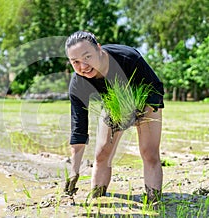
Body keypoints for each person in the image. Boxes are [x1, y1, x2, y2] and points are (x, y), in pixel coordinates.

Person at [63, 31, 164, 203]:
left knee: (149, 152)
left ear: (99, 49)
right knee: (102, 153)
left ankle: (154, 201)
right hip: (113, 105)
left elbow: (156, 89)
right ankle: (97, 199)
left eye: (87, 57)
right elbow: (79, 129)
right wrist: (74, 170)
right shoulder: (78, 83)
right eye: (75, 62)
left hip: (146, 101)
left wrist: (136, 113)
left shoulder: (127, 57)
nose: (83, 66)